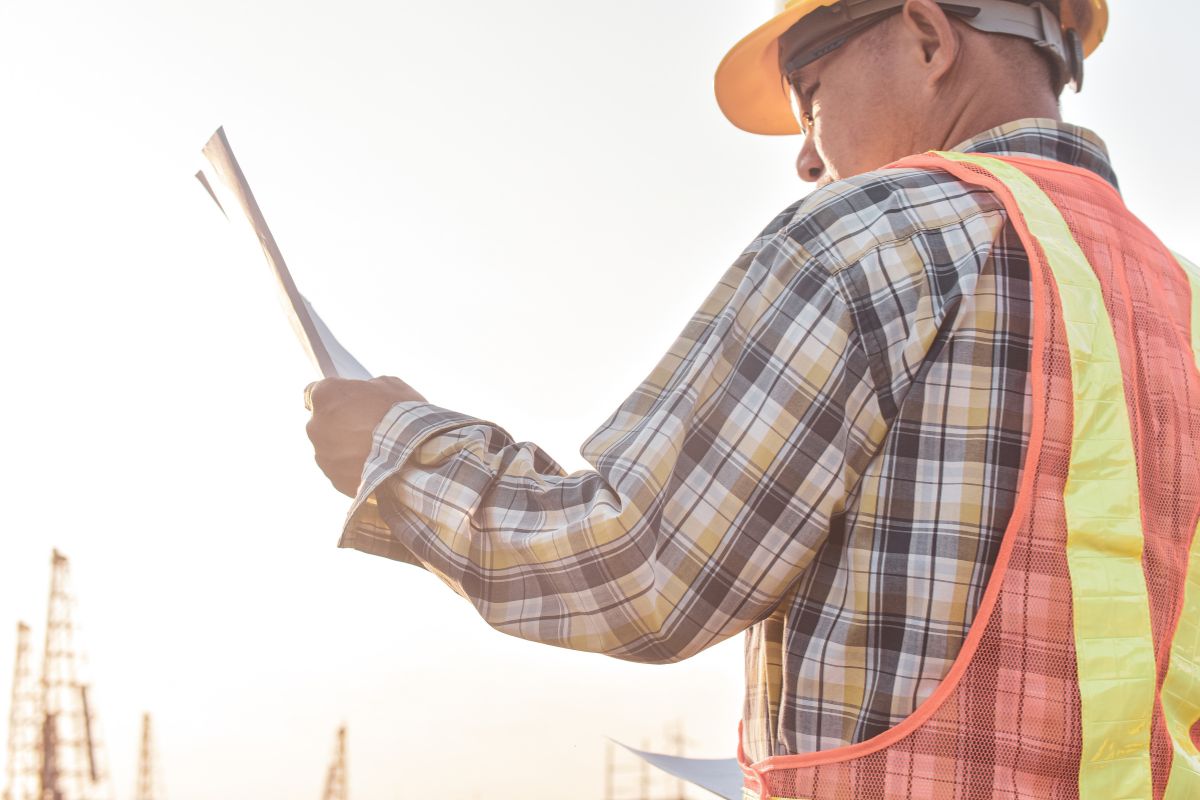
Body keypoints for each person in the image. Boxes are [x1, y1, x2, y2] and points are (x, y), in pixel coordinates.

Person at [306, 1, 1200, 797]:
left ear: (927, 36)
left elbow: (638, 570)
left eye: (809, 93)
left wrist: (403, 454)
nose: (809, 157)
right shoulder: (1181, 304)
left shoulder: (878, 236)